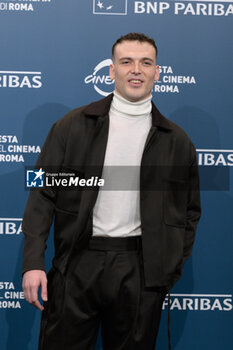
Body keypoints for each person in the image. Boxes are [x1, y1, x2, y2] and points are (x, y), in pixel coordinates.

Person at [22, 32, 201, 350]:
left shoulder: (177, 141)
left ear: (157, 72)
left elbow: (189, 211)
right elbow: (40, 191)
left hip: (140, 272)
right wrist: (34, 262)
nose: (136, 69)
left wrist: (168, 266)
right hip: (78, 264)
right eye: (126, 62)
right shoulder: (71, 126)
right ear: (111, 71)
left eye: (146, 62)